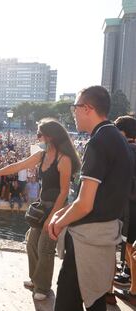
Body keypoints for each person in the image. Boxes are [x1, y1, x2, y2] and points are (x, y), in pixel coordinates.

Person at [48, 86, 132, 311]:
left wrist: (58, 222)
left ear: (87, 108)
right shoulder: (116, 137)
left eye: (74, 107)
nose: (73, 112)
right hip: (104, 233)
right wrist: (62, 213)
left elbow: (85, 204)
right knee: (86, 299)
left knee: (72, 302)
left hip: (88, 237)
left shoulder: (98, 142)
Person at [0, 118, 81, 300]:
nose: (37, 136)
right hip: (42, 206)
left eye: (39, 133)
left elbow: (64, 192)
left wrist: (54, 217)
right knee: (32, 243)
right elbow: (17, 166)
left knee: (45, 248)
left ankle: (43, 287)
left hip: (56, 207)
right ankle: (35, 279)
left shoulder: (63, 159)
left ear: (50, 137)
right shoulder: (41, 155)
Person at [112, 116, 136, 305]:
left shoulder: (126, 150)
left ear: (122, 133)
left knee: (129, 246)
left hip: (130, 205)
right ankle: (130, 281)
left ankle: (134, 290)